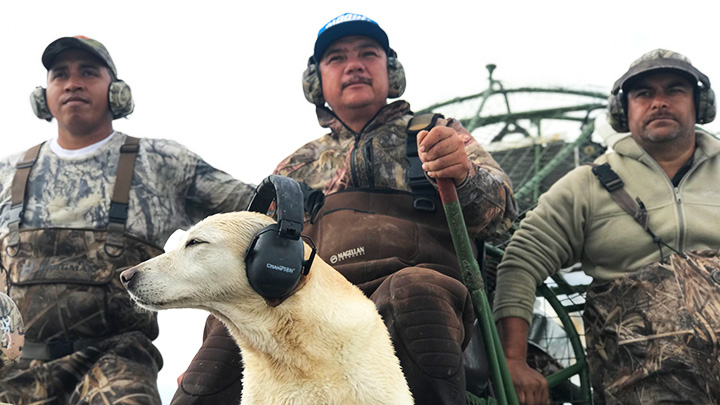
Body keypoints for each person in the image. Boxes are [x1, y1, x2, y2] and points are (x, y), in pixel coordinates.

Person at [174, 13, 517, 405]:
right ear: (316, 82)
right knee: (220, 344)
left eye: (368, 54)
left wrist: (465, 173)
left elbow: (503, 216)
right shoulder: (296, 166)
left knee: (415, 294)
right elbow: (253, 267)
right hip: (311, 311)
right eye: (336, 57)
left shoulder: (437, 133)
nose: (354, 64)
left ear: (391, 71)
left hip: (407, 294)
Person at [0, 36, 255, 404]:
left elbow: (257, 213)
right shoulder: (8, 173)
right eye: (60, 74)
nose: (73, 82)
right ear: (44, 95)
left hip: (115, 363)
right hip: (16, 369)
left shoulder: (161, 162)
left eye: (88, 72)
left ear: (116, 92)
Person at [493, 49, 720, 404]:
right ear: (622, 111)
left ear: (700, 104)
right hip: (644, 387)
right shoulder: (587, 185)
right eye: (644, 94)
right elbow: (521, 260)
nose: (659, 102)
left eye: (674, 90)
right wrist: (513, 359)